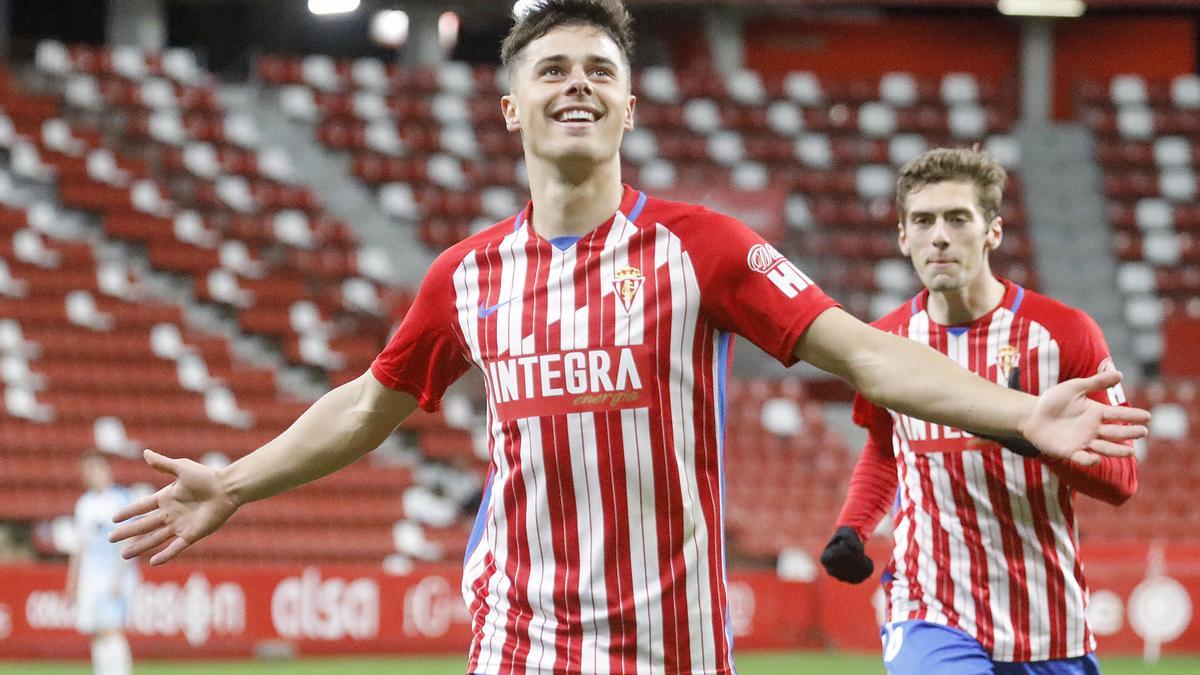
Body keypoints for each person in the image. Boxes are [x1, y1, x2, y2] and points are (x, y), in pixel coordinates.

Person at [111, 3, 1148, 673]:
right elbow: (368, 404)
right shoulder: (466, 275)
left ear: (629, 106)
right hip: (519, 638)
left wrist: (1022, 412)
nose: (578, 84)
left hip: (678, 645)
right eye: (554, 69)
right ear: (512, 107)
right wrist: (237, 482)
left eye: (600, 71)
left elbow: (867, 354)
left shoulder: (703, 250)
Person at [819, 147, 1138, 675]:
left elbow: (1122, 480)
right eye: (922, 220)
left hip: (1046, 619)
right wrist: (852, 526)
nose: (938, 235)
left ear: (993, 231)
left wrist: (1042, 445)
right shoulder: (883, 344)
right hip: (929, 609)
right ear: (903, 236)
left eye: (957, 218)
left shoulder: (1063, 335)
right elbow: (884, 447)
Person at [67, 451, 137, 675]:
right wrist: (72, 581)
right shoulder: (84, 504)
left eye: (96, 469)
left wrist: (119, 577)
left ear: (108, 471)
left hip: (114, 575)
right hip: (91, 577)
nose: (92, 475)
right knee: (95, 630)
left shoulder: (121, 499)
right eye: (88, 470)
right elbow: (78, 546)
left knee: (111, 628)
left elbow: (129, 539)